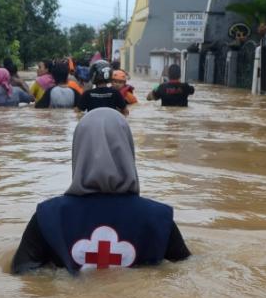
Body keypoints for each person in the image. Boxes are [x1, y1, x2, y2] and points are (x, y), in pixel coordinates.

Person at [11, 108, 191, 274]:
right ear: (128, 149)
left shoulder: (47, 216)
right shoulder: (159, 217)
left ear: (78, 150)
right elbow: (186, 270)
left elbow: (23, 274)